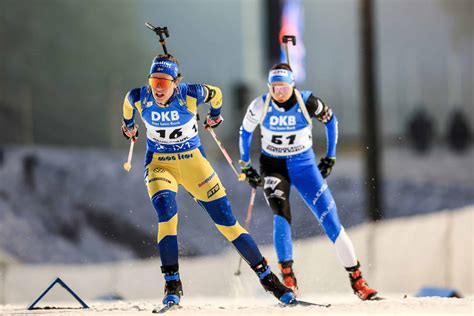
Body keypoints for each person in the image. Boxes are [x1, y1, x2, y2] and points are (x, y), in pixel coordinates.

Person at [121, 54, 295, 306]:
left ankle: (269, 279)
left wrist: (215, 115)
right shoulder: (138, 97)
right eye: (154, 82)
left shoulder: (190, 94)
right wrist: (128, 126)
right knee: (167, 215)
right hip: (160, 165)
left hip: (194, 164)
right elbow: (127, 108)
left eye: (164, 83)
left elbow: (217, 94)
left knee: (228, 224)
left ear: (175, 82)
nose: (158, 89)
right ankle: (172, 284)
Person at [238, 63, 378, 300]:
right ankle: (288, 278)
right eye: (275, 87)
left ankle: (357, 280)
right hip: (274, 167)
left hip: (304, 167)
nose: (279, 93)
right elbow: (245, 132)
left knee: (331, 221)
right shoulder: (260, 105)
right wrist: (245, 165)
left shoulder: (308, 102)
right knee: (281, 215)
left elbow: (331, 122)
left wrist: (331, 155)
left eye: (283, 87)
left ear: (292, 85)